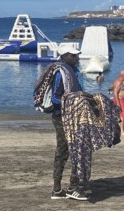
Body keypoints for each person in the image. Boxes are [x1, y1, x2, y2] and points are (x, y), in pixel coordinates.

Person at [34, 43, 86, 201]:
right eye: (72, 55)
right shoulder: (60, 73)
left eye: (76, 55)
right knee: (65, 150)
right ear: (64, 56)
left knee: (76, 149)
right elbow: (56, 98)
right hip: (61, 117)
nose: (76, 57)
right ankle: (62, 188)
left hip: (73, 115)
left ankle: (68, 187)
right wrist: (73, 100)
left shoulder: (73, 71)